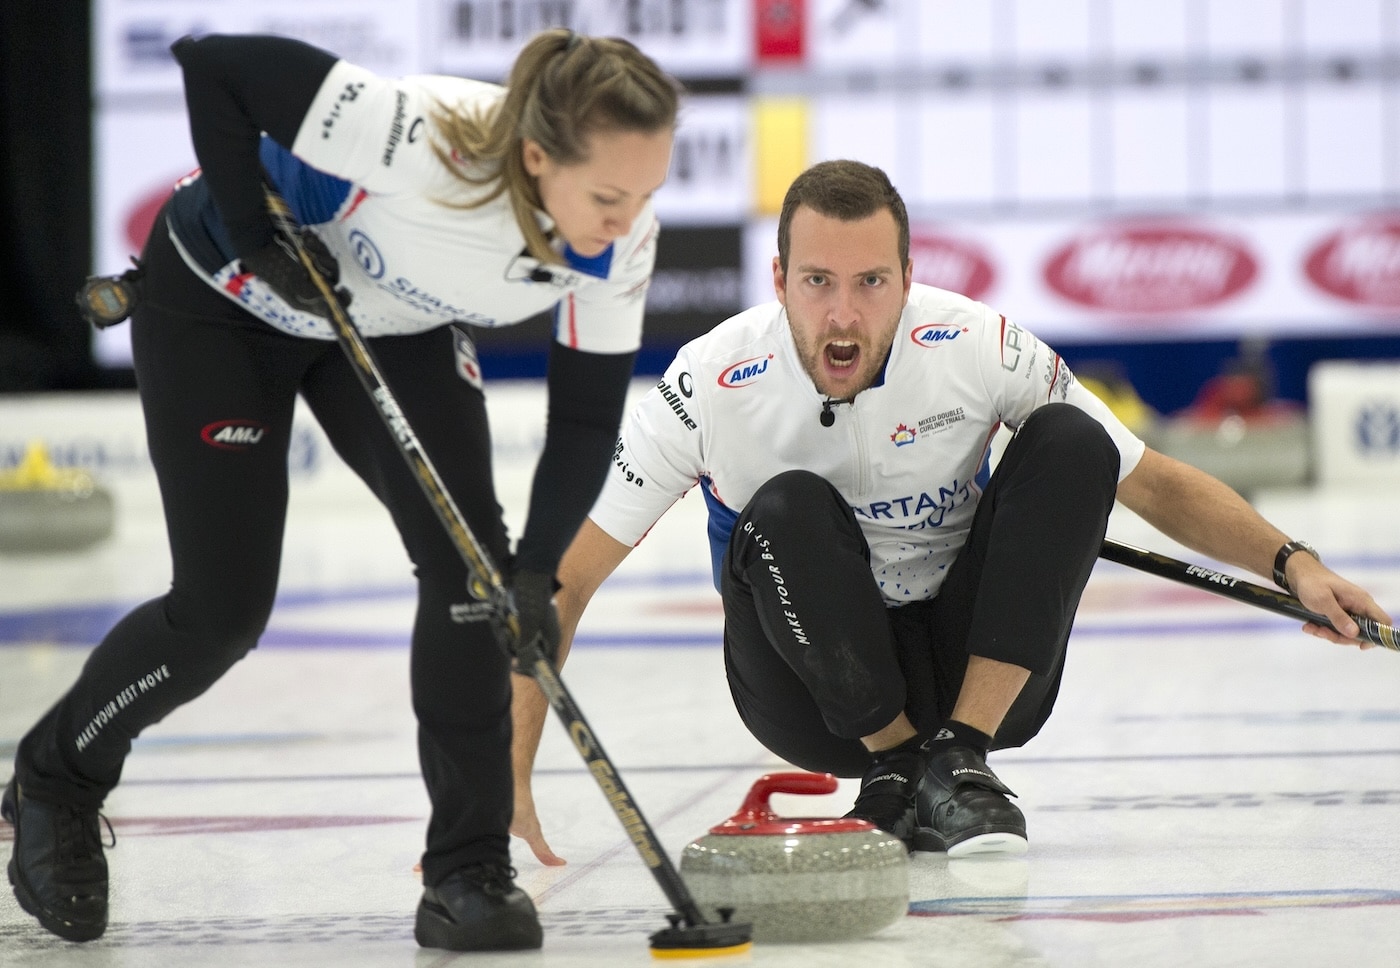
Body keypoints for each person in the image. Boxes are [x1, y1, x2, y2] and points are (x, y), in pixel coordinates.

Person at [507, 159, 1392, 867]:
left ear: (908, 279)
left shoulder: (975, 344)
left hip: (972, 672)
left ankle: (956, 761)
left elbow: (1150, 478)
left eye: (870, 282)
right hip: (813, 698)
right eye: (816, 281)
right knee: (785, 507)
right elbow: (567, 584)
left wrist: (1295, 564)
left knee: (1074, 441)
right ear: (777, 280)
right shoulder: (710, 381)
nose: (842, 314)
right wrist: (503, 780)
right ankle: (894, 765)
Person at [3, 29, 680, 951]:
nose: (627, 219)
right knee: (222, 611)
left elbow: (587, 420)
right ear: (533, 157)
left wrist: (534, 573)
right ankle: (57, 777)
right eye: (607, 195)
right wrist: (251, 233)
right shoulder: (425, 137)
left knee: (475, 581)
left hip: (388, 319)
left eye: (647, 194)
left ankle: (467, 870)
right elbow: (214, 64)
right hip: (224, 298)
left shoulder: (619, 238)